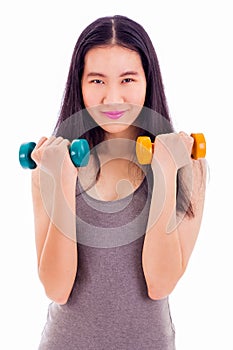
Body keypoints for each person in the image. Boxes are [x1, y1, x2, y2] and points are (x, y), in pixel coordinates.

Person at [31, 15, 206, 350]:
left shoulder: (189, 168)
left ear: (148, 82)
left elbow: (160, 283)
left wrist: (166, 173)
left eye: (127, 79)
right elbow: (56, 288)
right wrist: (65, 179)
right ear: (79, 85)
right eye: (97, 81)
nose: (113, 97)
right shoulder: (51, 167)